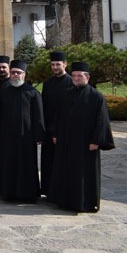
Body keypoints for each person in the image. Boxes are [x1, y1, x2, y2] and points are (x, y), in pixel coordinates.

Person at [49, 61, 115, 213]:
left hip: (86, 144)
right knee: (66, 171)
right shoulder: (66, 94)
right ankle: (65, 201)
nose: (76, 78)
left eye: (80, 76)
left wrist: (96, 140)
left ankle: (84, 203)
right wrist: (56, 134)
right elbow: (58, 117)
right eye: (74, 76)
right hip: (66, 141)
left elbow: (101, 120)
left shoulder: (96, 96)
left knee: (83, 174)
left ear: (88, 77)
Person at [0, 59, 44, 203]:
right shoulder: (4, 92)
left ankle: (28, 194)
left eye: (19, 73)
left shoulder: (32, 92)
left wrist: (39, 135)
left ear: (24, 75)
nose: (15, 75)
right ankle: (8, 193)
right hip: (8, 136)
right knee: (8, 164)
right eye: (13, 73)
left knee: (27, 166)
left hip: (27, 138)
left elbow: (39, 115)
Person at [40, 50, 73, 197]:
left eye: (58, 64)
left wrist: (58, 131)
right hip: (49, 131)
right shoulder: (48, 84)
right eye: (52, 65)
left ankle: (62, 192)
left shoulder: (72, 83)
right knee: (48, 162)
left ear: (65, 64)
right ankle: (48, 190)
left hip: (65, 131)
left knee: (63, 163)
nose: (55, 67)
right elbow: (44, 108)